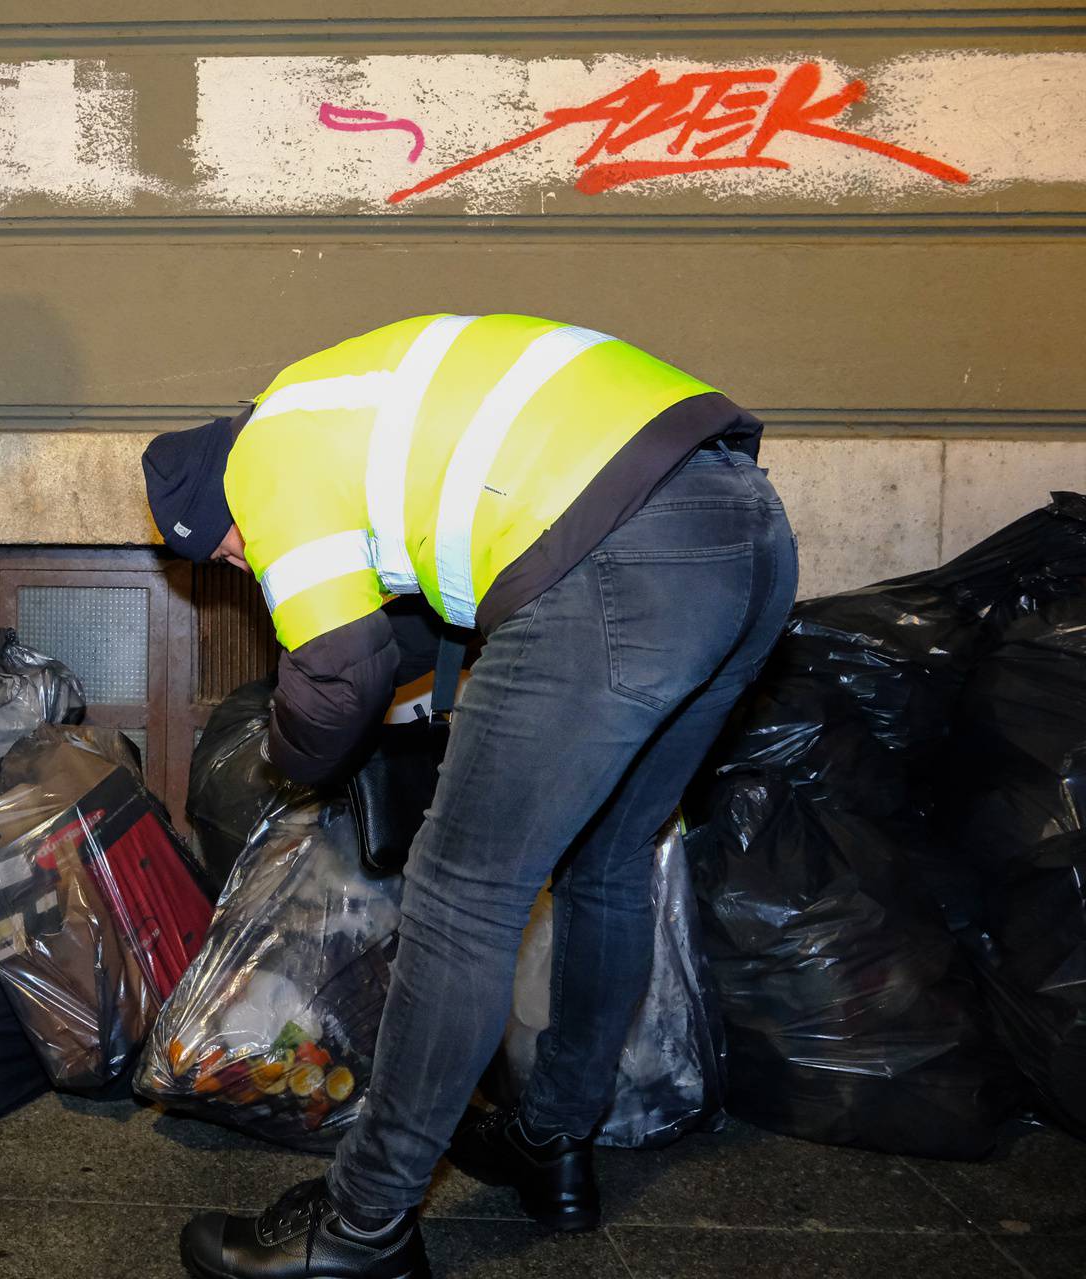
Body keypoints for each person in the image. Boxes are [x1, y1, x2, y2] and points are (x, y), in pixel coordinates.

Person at [142, 313, 797, 1278]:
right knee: (606, 861)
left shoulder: (265, 456)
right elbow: (411, 626)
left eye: (230, 556)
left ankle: (361, 1223)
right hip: (743, 533)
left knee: (460, 900)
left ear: (212, 507)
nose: (245, 566)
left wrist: (294, 760)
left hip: (615, 552)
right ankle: (552, 1142)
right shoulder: (340, 414)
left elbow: (338, 668)